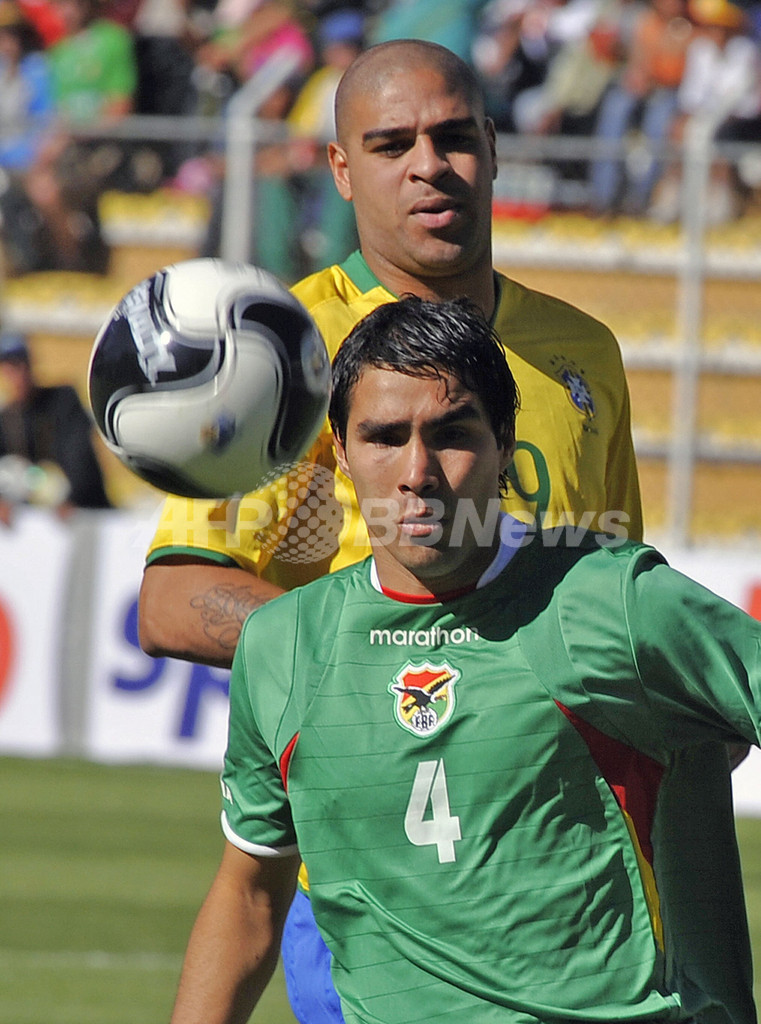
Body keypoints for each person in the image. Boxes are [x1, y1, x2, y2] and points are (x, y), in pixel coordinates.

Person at [138, 39, 746, 1024]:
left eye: (454, 137)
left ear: (494, 150)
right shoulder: (281, 355)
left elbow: (619, 602)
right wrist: (375, 663)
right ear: (340, 168)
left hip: (569, 879)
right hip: (368, 865)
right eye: (389, 144)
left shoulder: (578, 352)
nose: (429, 163)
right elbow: (171, 598)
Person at [169, 294, 761, 1024]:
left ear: (504, 441)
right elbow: (252, 895)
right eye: (384, 436)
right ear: (340, 451)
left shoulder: (609, 598)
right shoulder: (283, 644)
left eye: (450, 434)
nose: (417, 471)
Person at [0, 330, 111, 523]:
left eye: (20, 364)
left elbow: (79, 457)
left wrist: (71, 498)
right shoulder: (6, 420)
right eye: (9, 367)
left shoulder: (62, 401)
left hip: (86, 514)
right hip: (33, 525)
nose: (17, 374)